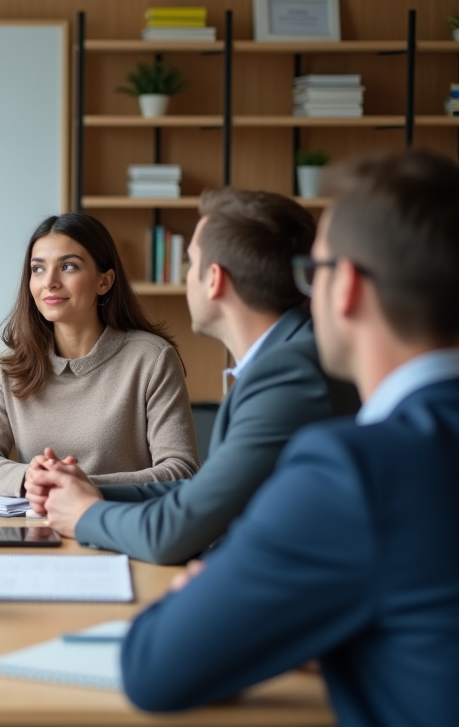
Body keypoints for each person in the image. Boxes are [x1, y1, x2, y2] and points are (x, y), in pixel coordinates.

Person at [120, 150, 459, 724]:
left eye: (315, 272)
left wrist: (204, 598)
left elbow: (154, 666)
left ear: (345, 286)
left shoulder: (355, 472)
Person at [37, 189, 359, 564]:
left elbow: (173, 533)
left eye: (191, 265)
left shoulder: (289, 373)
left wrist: (85, 515)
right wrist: (84, 489)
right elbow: (199, 494)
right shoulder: (289, 357)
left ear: (214, 280)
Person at [0, 214, 198, 496]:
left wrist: (81, 486)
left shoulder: (152, 359)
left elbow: (181, 470)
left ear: (105, 282)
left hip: (119, 528)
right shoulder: (15, 364)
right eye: (38, 269)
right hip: (38, 530)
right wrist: (29, 478)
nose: (50, 282)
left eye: (68, 266)